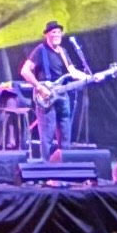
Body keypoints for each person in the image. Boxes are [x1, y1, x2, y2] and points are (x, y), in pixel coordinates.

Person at [21, 24, 90, 157]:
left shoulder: (63, 51)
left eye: (59, 32)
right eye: (53, 32)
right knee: (47, 135)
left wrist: (90, 78)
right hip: (46, 96)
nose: (57, 35)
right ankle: (46, 168)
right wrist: (39, 87)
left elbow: (72, 72)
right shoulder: (40, 50)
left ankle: (64, 165)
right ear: (47, 35)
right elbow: (24, 71)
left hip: (63, 95)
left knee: (65, 133)